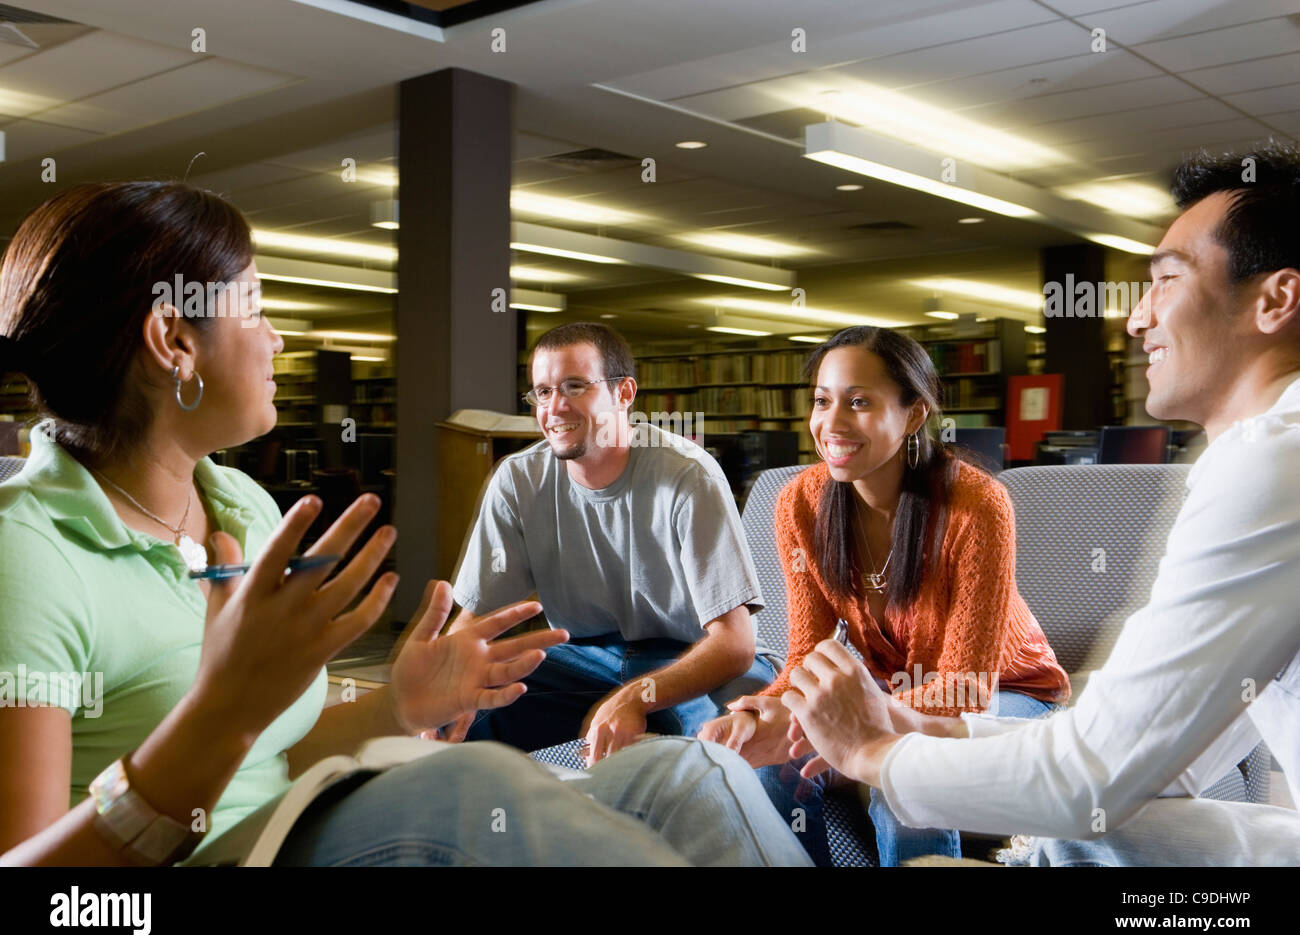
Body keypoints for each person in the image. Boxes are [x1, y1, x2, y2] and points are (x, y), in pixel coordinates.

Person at [0, 181, 811, 867]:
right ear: (174, 339)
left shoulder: (241, 507)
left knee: (686, 778)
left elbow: (279, 754)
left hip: (298, 815)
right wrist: (221, 713)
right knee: (474, 789)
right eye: (256, 308)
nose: (278, 338)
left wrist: (399, 703)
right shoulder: (25, 553)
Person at [778, 144, 1300, 867]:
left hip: (1022, 704)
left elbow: (1093, 772)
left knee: (1058, 826)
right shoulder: (1265, 455)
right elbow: (1160, 758)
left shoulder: (1274, 459)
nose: (1136, 320)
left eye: (1166, 282)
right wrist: (915, 730)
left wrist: (873, 750)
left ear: (1275, 300)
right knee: (1086, 833)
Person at [698, 326, 1070, 866]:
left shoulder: (977, 505)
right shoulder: (799, 503)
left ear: (914, 414)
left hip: (1003, 694)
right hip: (881, 686)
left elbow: (964, 689)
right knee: (759, 765)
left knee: (905, 776)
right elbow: (808, 654)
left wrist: (823, 720)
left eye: (860, 402)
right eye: (823, 401)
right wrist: (763, 713)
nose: (832, 423)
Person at [447, 322, 777, 763]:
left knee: (719, 748)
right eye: (542, 392)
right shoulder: (517, 480)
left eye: (574, 386)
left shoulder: (686, 475)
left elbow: (735, 645)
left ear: (624, 393)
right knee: (468, 719)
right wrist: (442, 689)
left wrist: (635, 698)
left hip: (696, 658)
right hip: (587, 657)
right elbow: (476, 620)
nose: (555, 407)